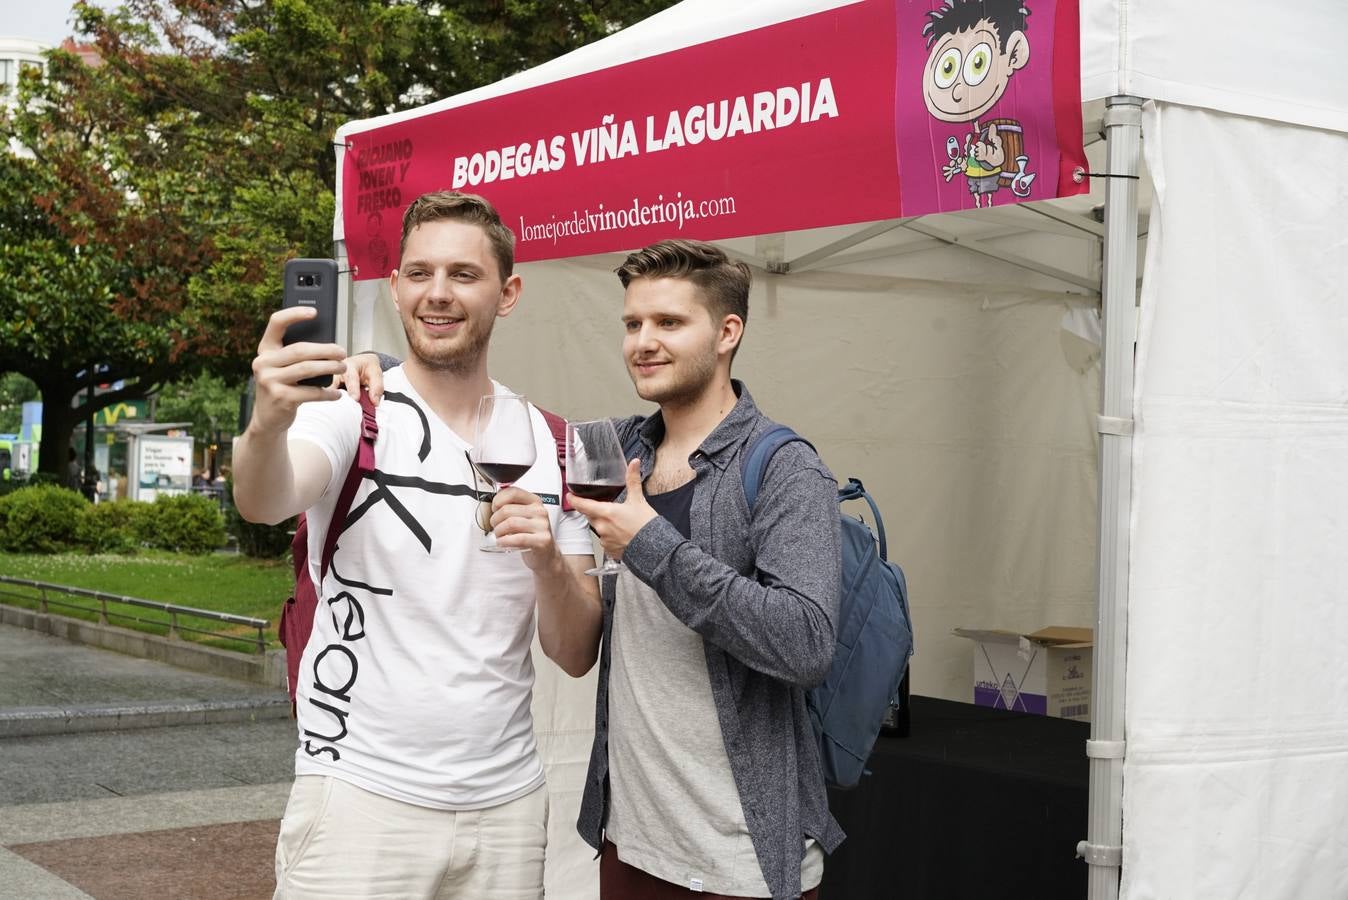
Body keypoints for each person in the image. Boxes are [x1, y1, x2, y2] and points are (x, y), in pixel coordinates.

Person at [349, 238, 843, 899]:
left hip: (740, 859)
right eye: (633, 323)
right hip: (629, 844)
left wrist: (650, 543)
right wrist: (380, 367)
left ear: (727, 333)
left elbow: (806, 643)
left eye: (669, 323)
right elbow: (489, 412)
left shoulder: (783, 469)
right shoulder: (608, 451)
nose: (643, 341)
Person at [232, 190, 602, 899]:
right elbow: (264, 498)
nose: (439, 294)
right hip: (358, 798)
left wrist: (548, 561)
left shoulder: (558, 446)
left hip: (507, 809)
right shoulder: (348, 411)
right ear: (396, 287)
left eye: (464, 275)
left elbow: (575, 650)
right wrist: (267, 424)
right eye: (420, 273)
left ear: (508, 292)